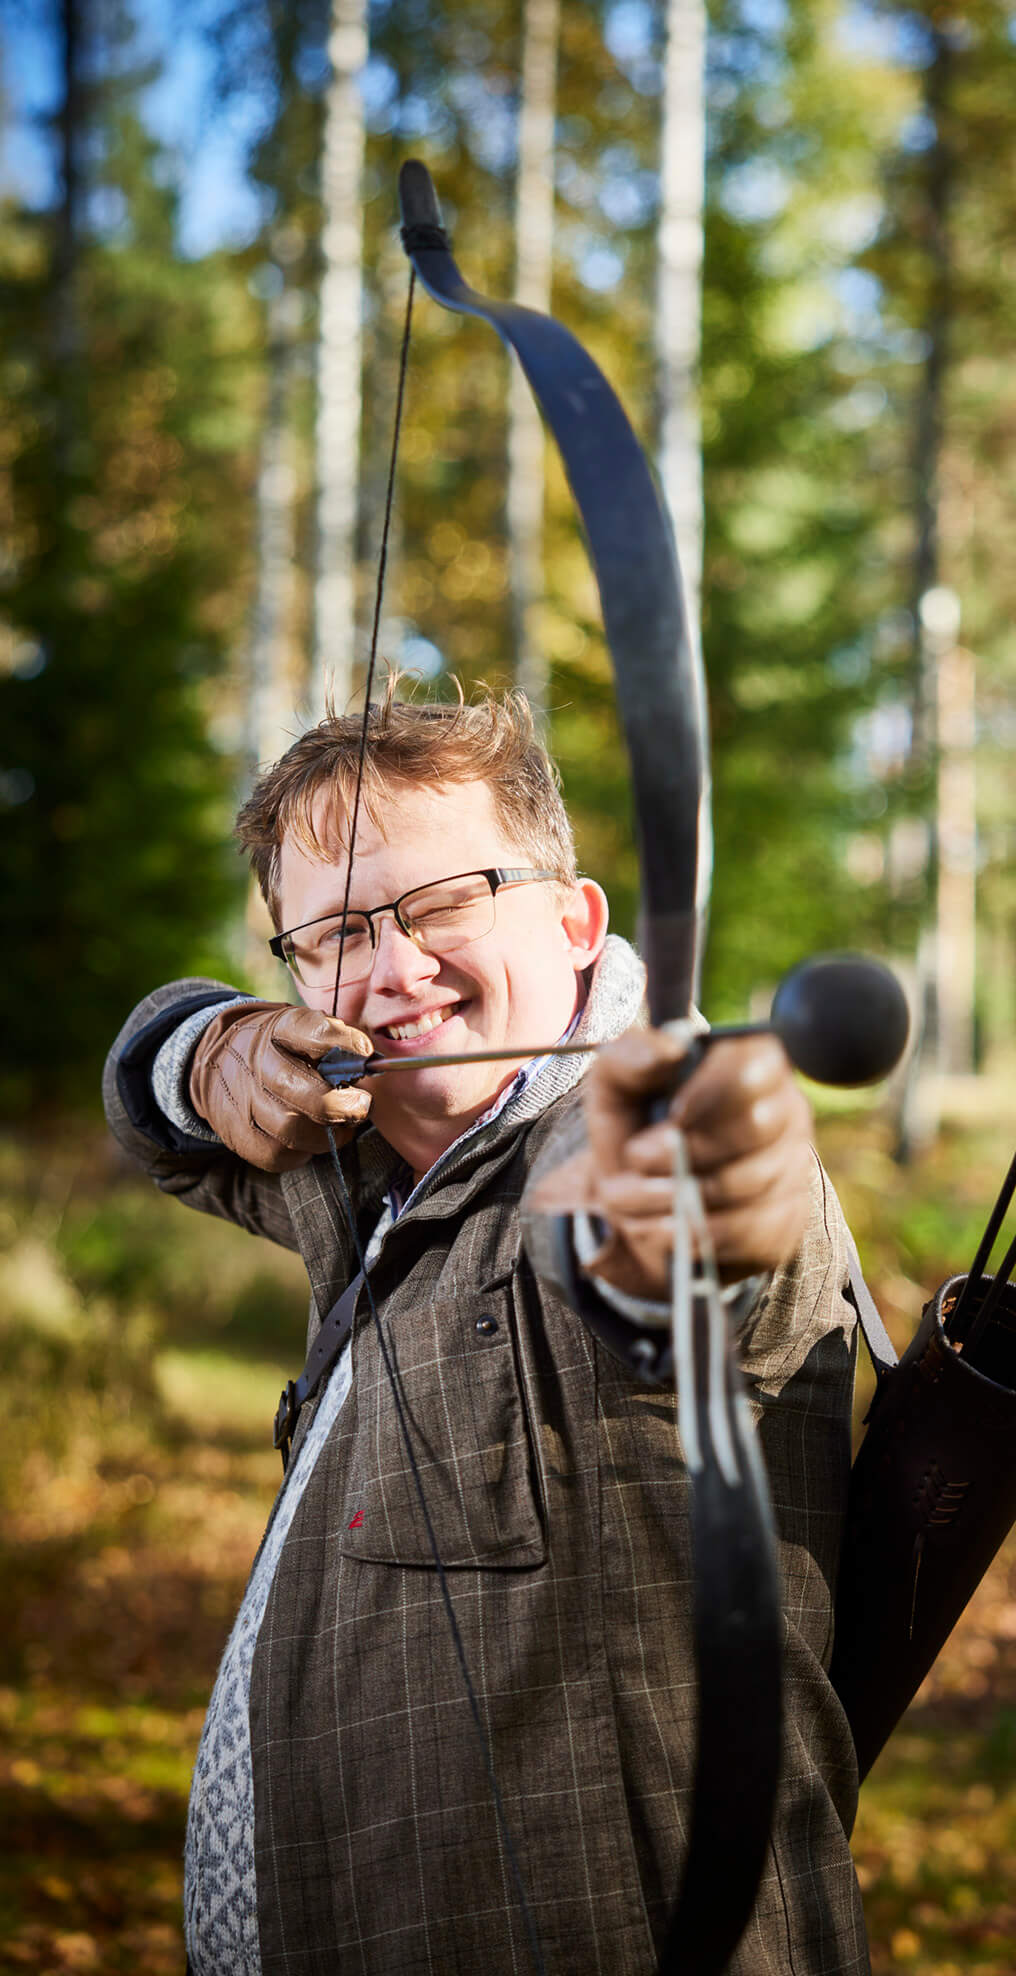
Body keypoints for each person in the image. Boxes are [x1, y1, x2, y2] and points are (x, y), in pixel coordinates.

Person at [103, 689, 870, 1976]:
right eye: (336, 931)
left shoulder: (612, 1143)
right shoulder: (367, 1169)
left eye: (446, 900)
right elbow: (150, 1109)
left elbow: (686, 1249)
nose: (393, 966)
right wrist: (207, 1046)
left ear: (575, 922)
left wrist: (694, 1178)